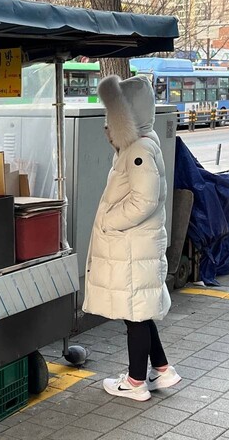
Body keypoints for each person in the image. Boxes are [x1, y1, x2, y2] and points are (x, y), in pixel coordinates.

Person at [83, 75, 181, 402]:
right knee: (140, 310)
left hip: (131, 248)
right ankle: (162, 369)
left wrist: (110, 221)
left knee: (134, 315)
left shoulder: (139, 149)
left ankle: (136, 381)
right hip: (136, 247)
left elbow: (144, 199)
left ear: (127, 118)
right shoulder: (141, 144)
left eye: (112, 119)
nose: (107, 127)